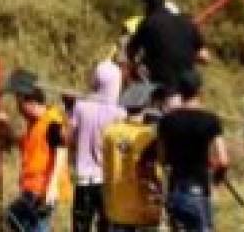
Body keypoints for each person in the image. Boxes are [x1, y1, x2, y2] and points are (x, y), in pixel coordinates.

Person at [152, 71, 229, 231]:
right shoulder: (210, 120)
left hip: (175, 189)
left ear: (180, 92)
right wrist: (217, 179)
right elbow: (223, 160)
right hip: (199, 189)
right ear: (200, 92)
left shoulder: (167, 121)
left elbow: (160, 157)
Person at [0, 73, 69, 231]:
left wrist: (53, 186)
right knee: (17, 220)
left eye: (20, 105)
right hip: (32, 186)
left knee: (27, 222)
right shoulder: (35, 124)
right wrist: (5, 128)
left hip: (42, 188)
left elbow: (61, 150)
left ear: (30, 103)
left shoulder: (52, 121)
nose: (20, 111)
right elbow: (24, 145)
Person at [68, 61, 129, 232]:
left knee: (81, 227)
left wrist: (69, 109)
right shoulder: (120, 112)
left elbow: (69, 138)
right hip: (109, 182)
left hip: (84, 180)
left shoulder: (80, 107)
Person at [103, 84, 168, 231]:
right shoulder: (151, 135)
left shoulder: (110, 131)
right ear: (147, 104)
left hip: (116, 207)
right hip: (145, 209)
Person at [124, 0, 210, 85]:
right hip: (185, 83)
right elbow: (205, 57)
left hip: (158, 80)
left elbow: (130, 51)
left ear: (147, 6)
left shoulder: (148, 23)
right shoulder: (187, 22)